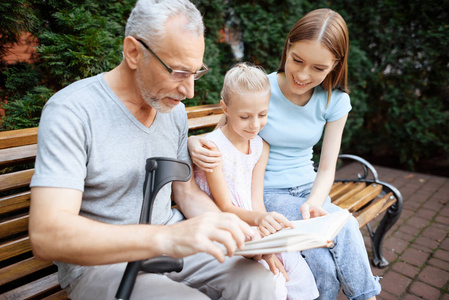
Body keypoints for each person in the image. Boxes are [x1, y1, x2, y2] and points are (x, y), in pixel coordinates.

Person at [28, 1, 276, 299]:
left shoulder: (174, 112)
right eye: (179, 72)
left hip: (170, 244)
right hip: (102, 264)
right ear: (134, 52)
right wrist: (166, 238)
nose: (189, 92)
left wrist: (235, 233)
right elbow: (46, 235)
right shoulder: (73, 112)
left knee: (258, 281)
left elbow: (186, 193)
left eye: (195, 73)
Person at [188, 8, 381, 300]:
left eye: (318, 68)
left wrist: (315, 202)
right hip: (269, 193)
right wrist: (191, 144)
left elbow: (327, 167)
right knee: (326, 255)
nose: (302, 75)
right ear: (288, 47)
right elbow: (223, 135)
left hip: (310, 190)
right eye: (297, 60)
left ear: (335, 65)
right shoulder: (261, 89)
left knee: (338, 231)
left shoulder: (335, 100)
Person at [194, 63, 320, 300]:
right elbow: (225, 207)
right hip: (227, 226)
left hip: (253, 221)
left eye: (262, 115)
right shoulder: (213, 148)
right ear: (226, 109)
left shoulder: (261, 147)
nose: (254, 125)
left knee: (297, 271)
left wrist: (267, 235)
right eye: (245, 117)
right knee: (272, 279)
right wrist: (260, 228)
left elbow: (256, 201)